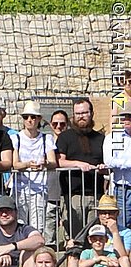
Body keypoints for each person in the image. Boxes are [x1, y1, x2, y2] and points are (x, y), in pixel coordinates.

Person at [56, 99, 107, 246]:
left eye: (84, 112)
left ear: (92, 113)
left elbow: (106, 163)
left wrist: (103, 168)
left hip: (96, 195)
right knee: (75, 239)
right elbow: (59, 161)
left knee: (95, 238)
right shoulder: (65, 137)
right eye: (77, 113)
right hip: (73, 196)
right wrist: (78, 164)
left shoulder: (101, 139)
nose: (81, 116)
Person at [10, 102, 58, 236]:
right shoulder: (16, 138)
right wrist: (27, 165)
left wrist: (45, 163)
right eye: (26, 117)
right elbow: (14, 164)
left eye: (33, 117)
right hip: (20, 189)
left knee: (37, 228)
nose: (29, 120)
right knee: (19, 225)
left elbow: (53, 162)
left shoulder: (46, 138)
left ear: (39, 119)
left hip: (39, 189)